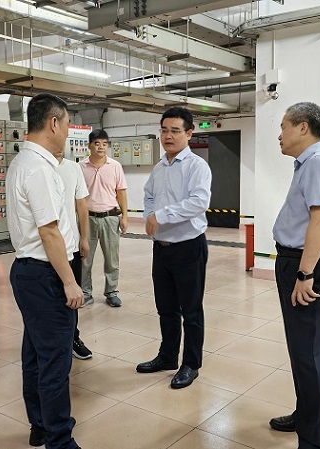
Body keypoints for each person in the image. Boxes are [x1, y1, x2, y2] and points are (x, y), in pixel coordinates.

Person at [6, 93, 82, 449]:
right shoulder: (38, 168)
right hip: (45, 273)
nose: (67, 133)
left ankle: (40, 424)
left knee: (36, 354)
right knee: (55, 360)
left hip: (29, 271)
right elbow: (49, 231)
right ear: (53, 123)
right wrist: (70, 281)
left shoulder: (24, 161)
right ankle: (59, 439)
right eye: (67, 125)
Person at [269, 102, 320, 449]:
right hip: (299, 262)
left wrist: (305, 273)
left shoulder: (318, 163)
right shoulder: (310, 163)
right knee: (303, 351)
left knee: (308, 354)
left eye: (283, 126)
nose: (279, 135)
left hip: (307, 266)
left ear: (303, 127)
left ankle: (315, 441)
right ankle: (305, 415)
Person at [136, 107, 211, 389]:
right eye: (164, 130)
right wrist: (149, 215)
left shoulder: (196, 167)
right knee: (166, 308)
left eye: (175, 131)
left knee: (191, 310)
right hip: (162, 248)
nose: (168, 136)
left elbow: (199, 202)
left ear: (189, 133)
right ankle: (167, 356)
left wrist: (161, 215)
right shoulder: (159, 168)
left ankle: (191, 364)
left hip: (188, 247)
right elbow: (148, 195)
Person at [79, 129, 128, 307]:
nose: (101, 147)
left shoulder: (115, 166)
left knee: (112, 259)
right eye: (97, 143)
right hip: (87, 218)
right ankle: (85, 293)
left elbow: (121, 192)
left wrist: (125, 217)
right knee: (84, 258)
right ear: (89, 145)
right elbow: (77, 196)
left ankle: (112, 292)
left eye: (104, 144)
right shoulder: (80, 167)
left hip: (110, 217)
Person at [56, 156, 93, 360]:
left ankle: (73, 338)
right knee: (51, 299)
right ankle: (54, 342)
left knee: (73, 296)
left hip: (71, 244)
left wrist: (84, 238)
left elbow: (81, 205)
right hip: (44, 250)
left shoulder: (73, 168)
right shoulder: (37, 166)